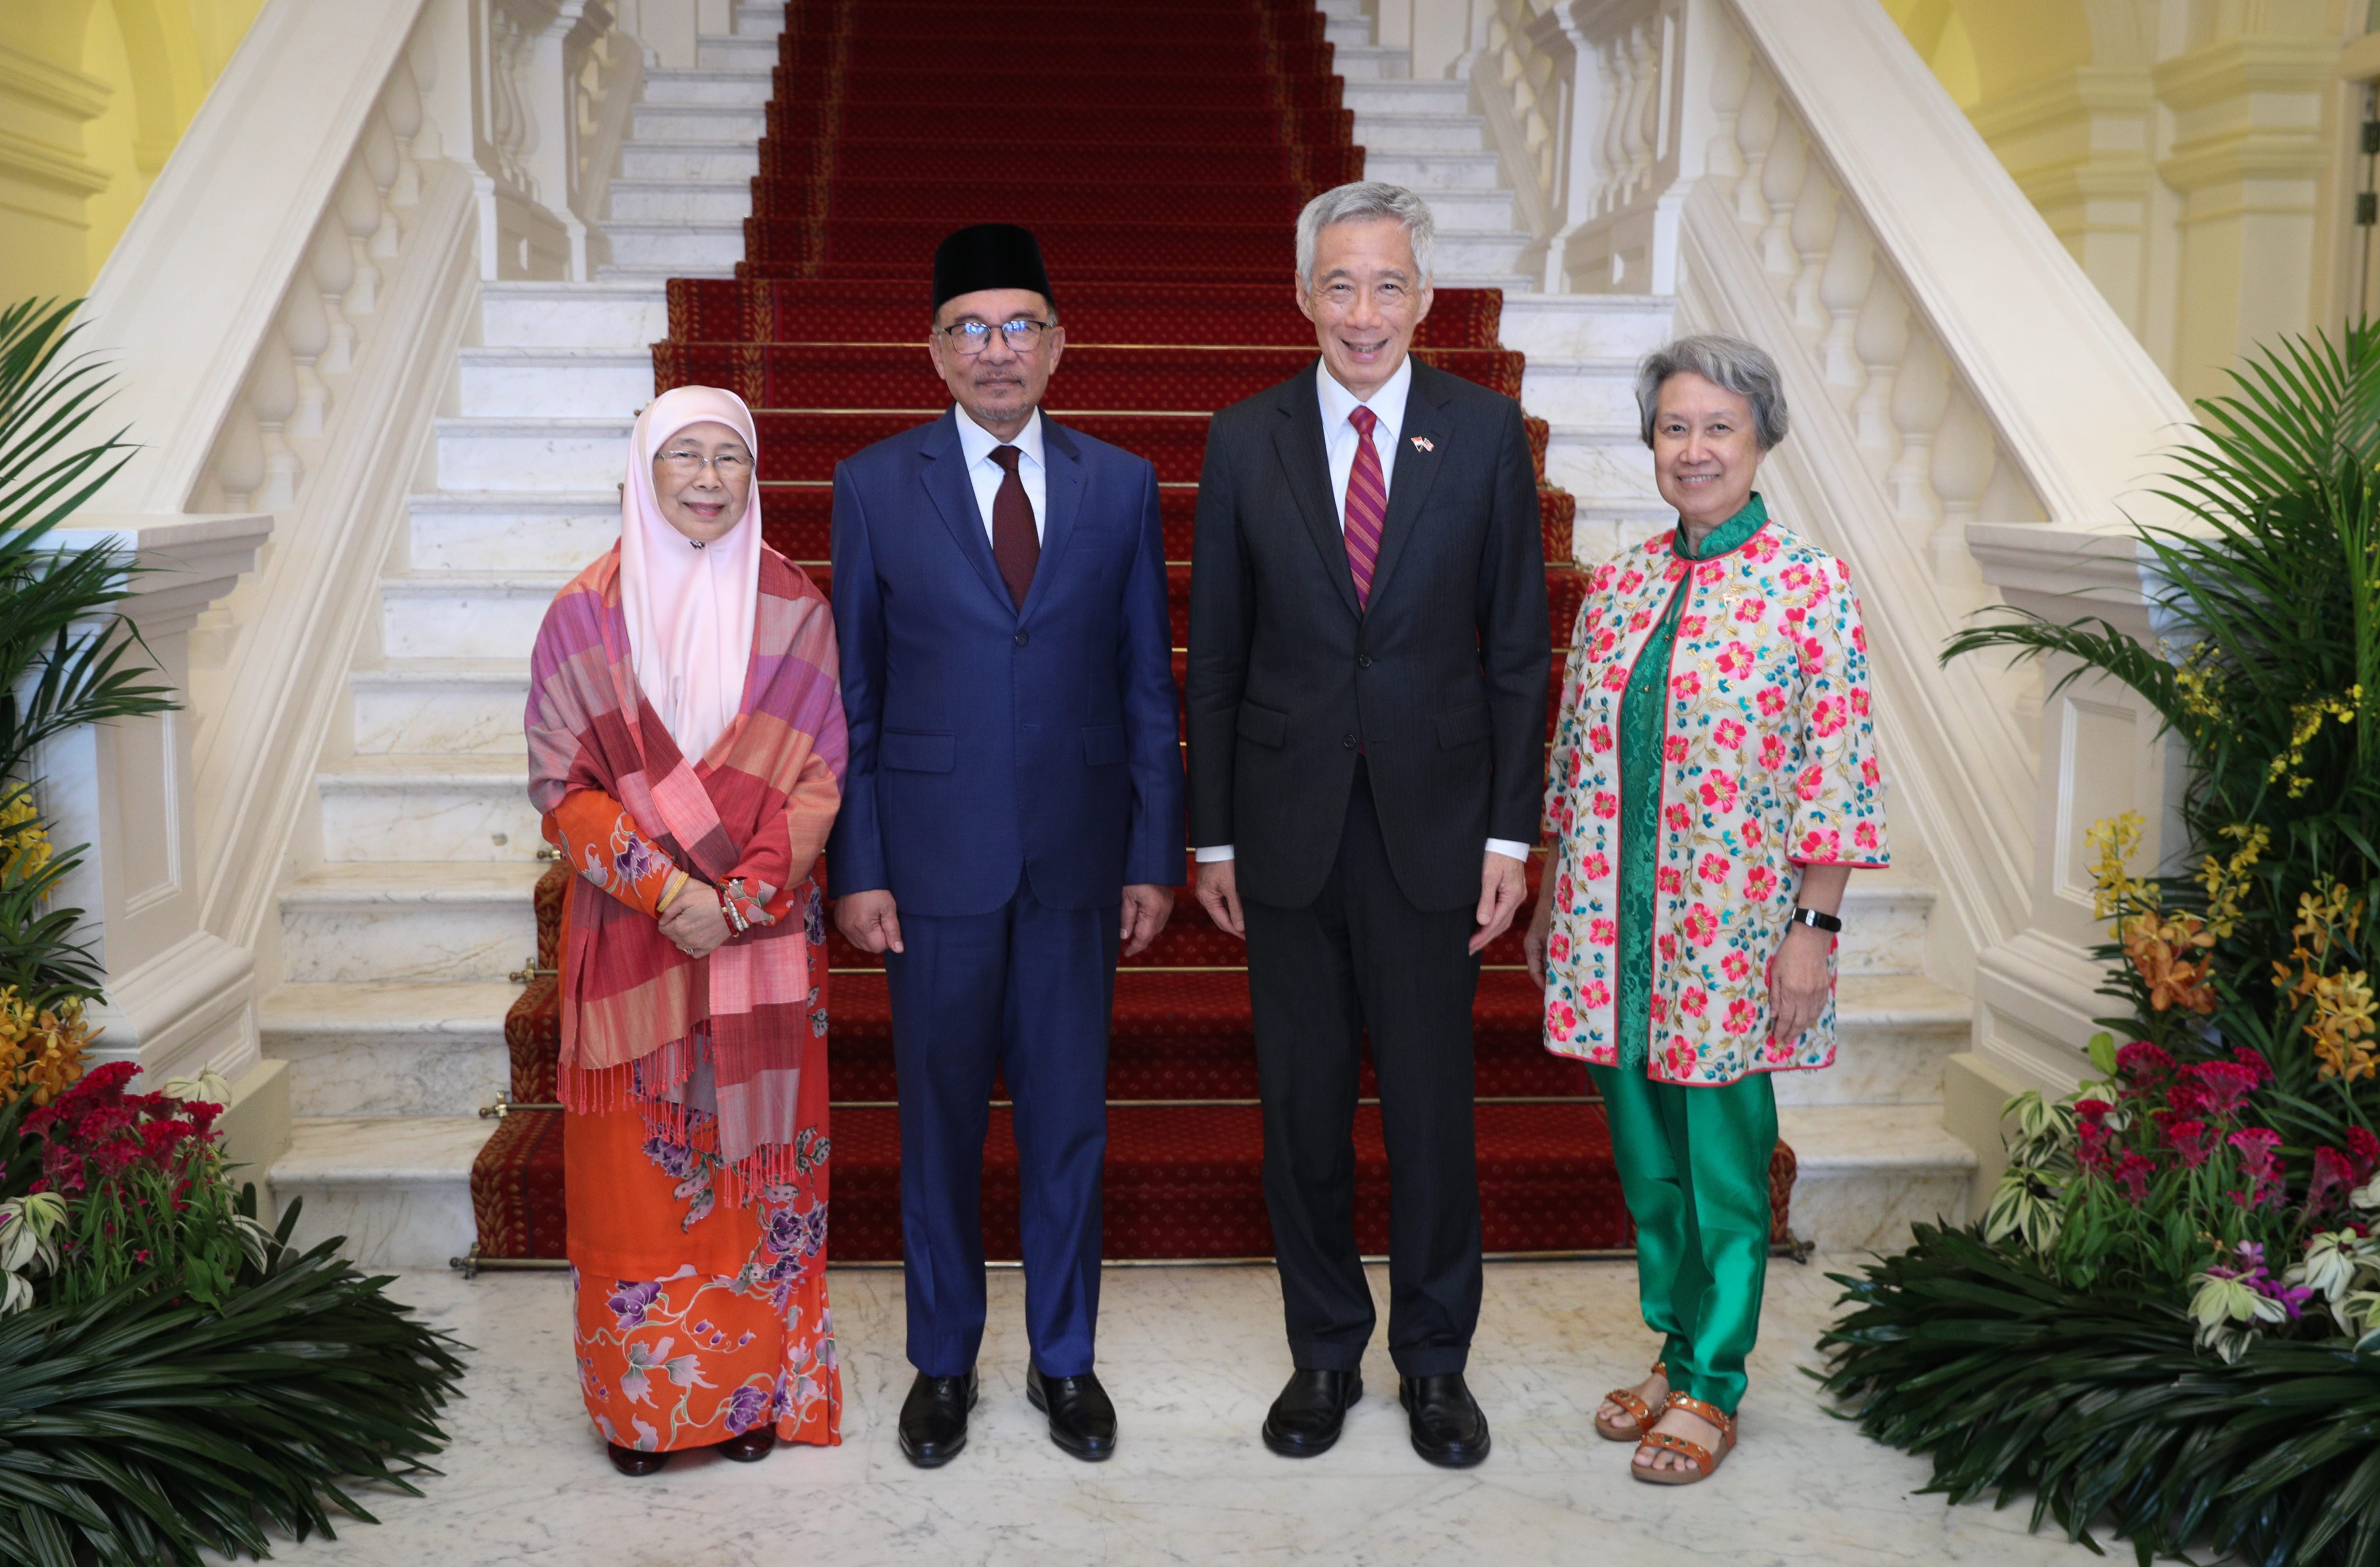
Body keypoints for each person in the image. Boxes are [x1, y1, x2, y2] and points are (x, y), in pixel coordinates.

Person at [1186, 182, 1549, 1469]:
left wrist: (1513, 838)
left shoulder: (1488, 433)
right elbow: (1215, 654)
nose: (1363, 311)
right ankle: (1326, 1353)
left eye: (1387, 284)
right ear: (1302, 297)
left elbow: (1515, 653)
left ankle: (1436, 1364)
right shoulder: (1245, 438)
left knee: (1433, 1120)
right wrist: (1211, 837)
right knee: (1302, 1115)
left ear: (1424, 298)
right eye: (1338, 284)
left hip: (1436, 835)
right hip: (1285, 835)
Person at [827, 223, 1184, 1467]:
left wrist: (1155, 852)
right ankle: (941, 1366)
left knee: (1068, 1123)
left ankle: (1063, 1361)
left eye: (1020, 325)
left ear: (1057, 345)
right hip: (929, 870)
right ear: (934, 351)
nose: (997, 351)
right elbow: (853, 695)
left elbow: (1150, 681)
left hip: (1082, 863)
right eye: (971, 329)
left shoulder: (1119, 483)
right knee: (936, 1126)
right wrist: (857, 864)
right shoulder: (876, 485)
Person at [1524, 333, 1888, 1484]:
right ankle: (1674, 1350)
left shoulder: (1809, 586)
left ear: (1762, 440)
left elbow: (1837, 769)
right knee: (1650, 1172)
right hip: (1608, 932)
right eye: (1675, 428)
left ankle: (1716, 1385)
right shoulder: (1620, 585)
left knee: (1726, 1172)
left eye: (1718, 428)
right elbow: (1576, 752)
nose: (1694, 451)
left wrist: (1812, 932)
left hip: (1730, 939)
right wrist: (1550, 890)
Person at [526, 384, 848, 1476]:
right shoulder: (584, 614)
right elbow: (560, 786)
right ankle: (643, 1413)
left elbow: (818, 778)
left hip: (757, 945)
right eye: (685, 458)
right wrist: (670, 896)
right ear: (645, 471)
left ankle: (750, 1394)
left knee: (756, 1174)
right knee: (637, 1180)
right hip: (633, 945)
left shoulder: (798, 607)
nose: (710, 480)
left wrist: (744, 900)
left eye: (730, 459)